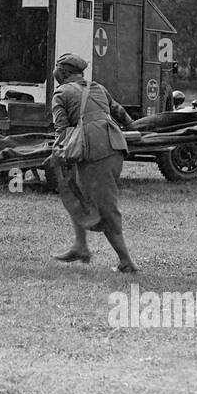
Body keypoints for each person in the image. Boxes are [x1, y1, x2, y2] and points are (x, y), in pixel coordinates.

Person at [49, 52, 137, 272]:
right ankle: (80, 246)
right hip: (114, 147)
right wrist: (137, 130)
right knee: (75, 191)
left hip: (96, 154)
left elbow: (61, 130)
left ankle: (126, 263)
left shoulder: (61, 93)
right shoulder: (97, 87)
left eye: (57, 69)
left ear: (63, 73)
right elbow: (119, 112)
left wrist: (56, 152)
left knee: (106, 208)